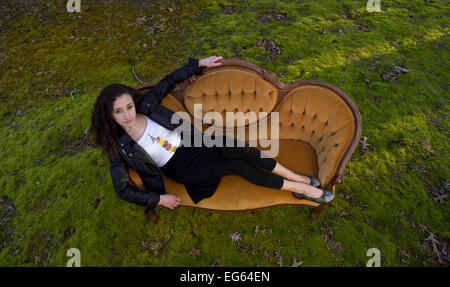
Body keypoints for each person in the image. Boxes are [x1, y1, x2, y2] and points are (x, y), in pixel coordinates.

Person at [90, 55, 334, 214]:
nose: (127, 115)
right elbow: (121, 189)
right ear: (109, 115)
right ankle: (298, 187)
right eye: (118, 111)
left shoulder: (147, 107)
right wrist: (158, 200)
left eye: (128, 107)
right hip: (184, 167)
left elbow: (167, 82)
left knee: (241, 149)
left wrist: (197, 65)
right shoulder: (118, 147)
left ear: (134, 103)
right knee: (239, 167)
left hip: (195, 143)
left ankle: (294, 176)